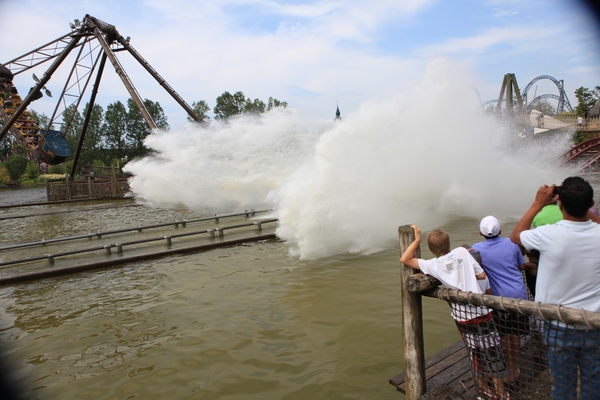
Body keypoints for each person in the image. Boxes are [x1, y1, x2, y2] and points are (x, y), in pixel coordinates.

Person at [510, 177, 600, 400]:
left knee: (563, 386)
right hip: (594, 323)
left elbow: (515, 236)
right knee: (593, 385)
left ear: (560, 204)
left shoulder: (548, 234)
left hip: (558, 322)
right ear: (591, 204)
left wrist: (537, 204)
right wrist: (583, 205)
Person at [401, 226, 509, 400]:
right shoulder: (462, 252)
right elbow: (481, 275)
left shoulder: (432, 265)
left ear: (430, 248)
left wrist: (417, 239)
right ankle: (502, 394)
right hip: (483, 313)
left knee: (475, 353)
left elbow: (405, 259)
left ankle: (483, 390)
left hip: (463, 318)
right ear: (449, 243)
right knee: (493, 352)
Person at [473, 216, 532, 383]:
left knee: (505, 335)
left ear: (480, 233)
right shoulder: (513, 244)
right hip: (520, 295)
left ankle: (510, 372)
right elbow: (520, 265)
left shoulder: (477, 249)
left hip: (499, 299)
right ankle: (515, 368)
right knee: (516, 334)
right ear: (500, 231)